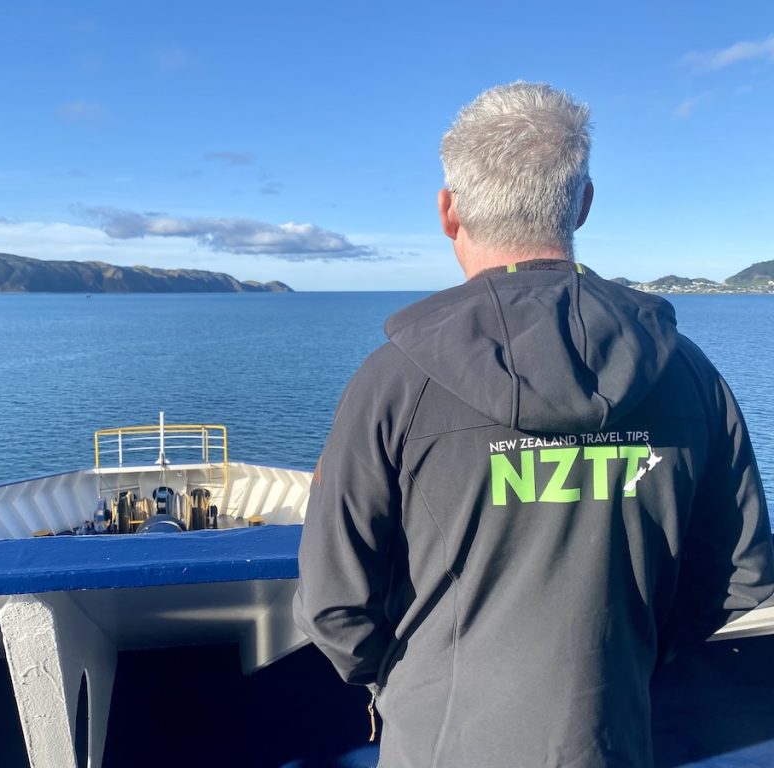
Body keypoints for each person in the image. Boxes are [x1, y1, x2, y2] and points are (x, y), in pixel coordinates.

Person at [292, 82, 774, 768]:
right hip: (613, 740)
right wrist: (627, 654)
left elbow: (333, 607)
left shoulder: (392, 384)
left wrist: (412, 684)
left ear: (447, 211)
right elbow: (738, 575)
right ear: (581, 202)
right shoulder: (687, 375)